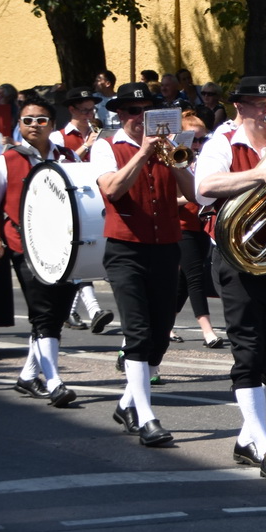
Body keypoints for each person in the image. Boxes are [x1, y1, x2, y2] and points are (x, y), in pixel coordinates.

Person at [194, 75, 266, 475]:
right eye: (257, 106)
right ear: (240, 108)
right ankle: (263, 445)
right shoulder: (223, 142)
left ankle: (249, 437)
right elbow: (204, 186)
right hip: (237, 255)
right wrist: (261, 173)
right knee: (249, 349)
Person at [91, 82, 197, 447]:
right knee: (137, 332)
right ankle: (146, 416)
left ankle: (127, 404)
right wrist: (142, 153)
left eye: (148, 112)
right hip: (125, 248)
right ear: (121, 114)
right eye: (134, 112)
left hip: (166, 246)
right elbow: (113, 189)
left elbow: (194, 191)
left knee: (160, 333)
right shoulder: (107, 146)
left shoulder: (171, 145)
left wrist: (173, 154)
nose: (140, 118)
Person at [0, 96, 80, 406]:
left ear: (52, 125)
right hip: (25, 247)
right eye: (27, 120)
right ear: (18, 125)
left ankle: (27, 376)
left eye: (41, 120)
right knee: (44, 314)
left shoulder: (69, 156)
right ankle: (54, 381)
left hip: (66, 247)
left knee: (58, 312)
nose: (34, 125)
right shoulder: (4, 161)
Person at [57, 87, 116, 334]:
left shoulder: (99, 134)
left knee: (89, 250)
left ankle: (71, 310)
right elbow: (57, 170)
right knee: (81, 250)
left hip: (96, 198)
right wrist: (84, 148)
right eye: (84, 110)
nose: (90, 115)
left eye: (92, 110)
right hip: (69, 201)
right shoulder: (58, 138)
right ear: (72, 110)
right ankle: (90, 310)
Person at [173, 112, 224, 348]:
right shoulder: (175, 162)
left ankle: (165, 324)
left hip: (202, 224)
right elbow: (170, 199)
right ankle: (208, 331)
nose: (197, 145)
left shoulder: (205, 161)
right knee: (195, 277)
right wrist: (191, 197)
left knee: (184, 283)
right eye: (193, 139)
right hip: (183, 226)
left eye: (202, 140)